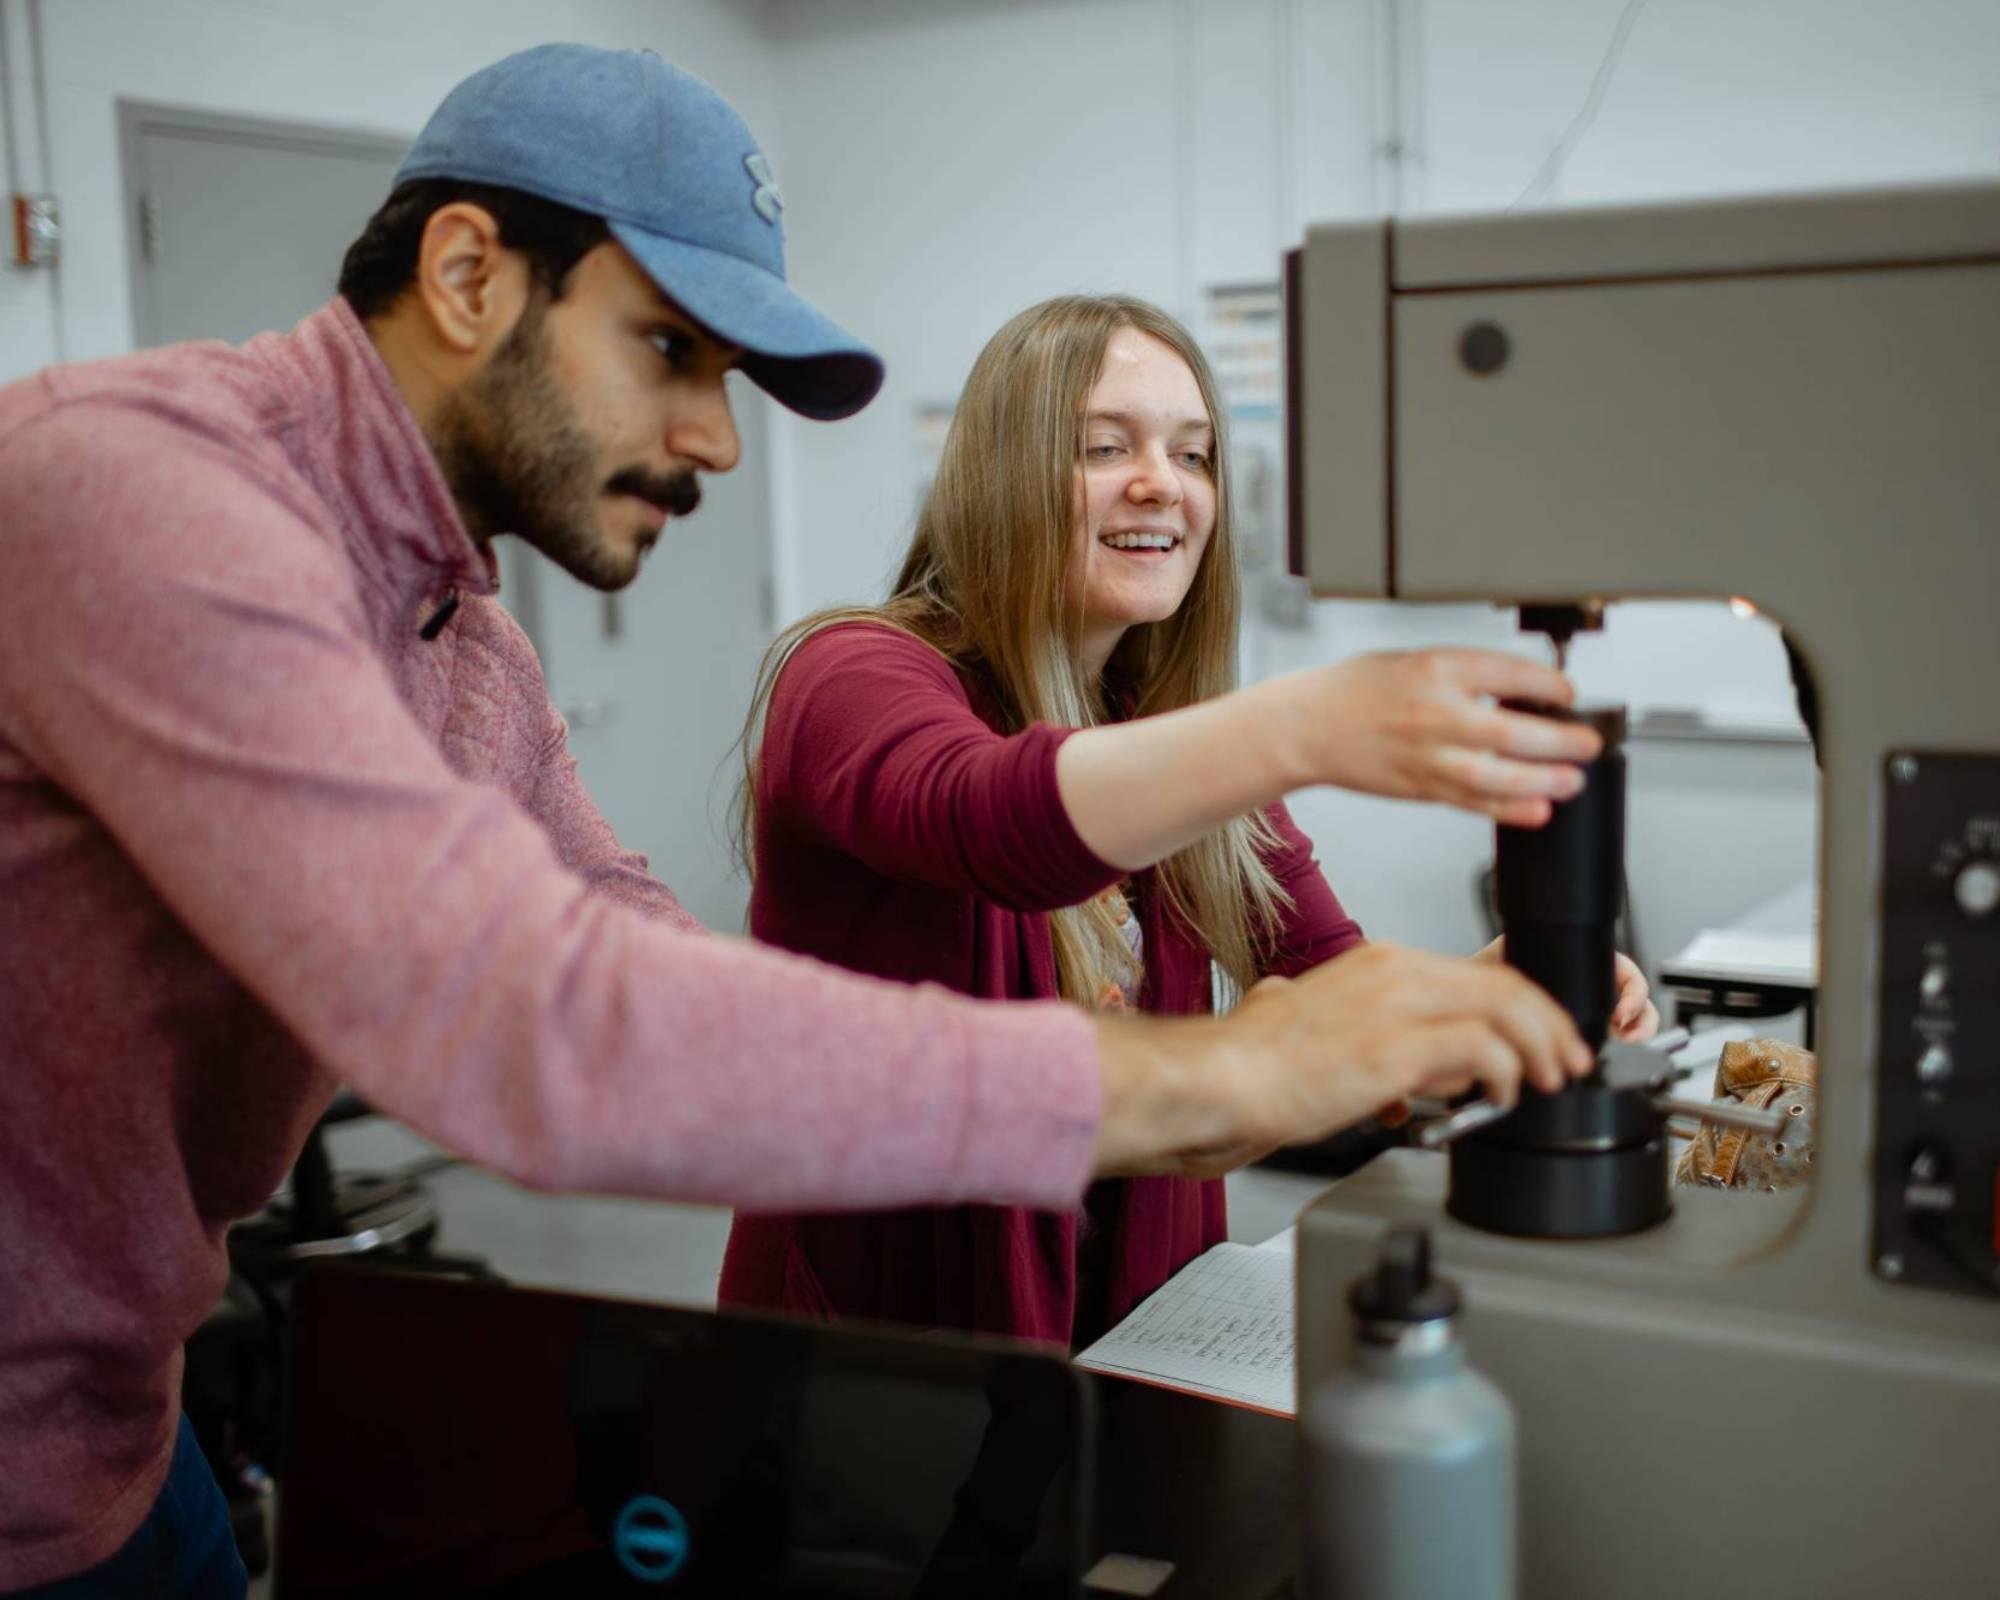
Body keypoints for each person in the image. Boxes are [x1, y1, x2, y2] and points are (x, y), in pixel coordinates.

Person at [0, 47, 1593, 1600]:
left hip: (124, 1455)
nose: (717, 439)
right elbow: (534, 1029)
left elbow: (638, 966)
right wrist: (1224, 1071)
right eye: (672, 353)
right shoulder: (139, 491)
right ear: (471, 274)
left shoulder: (466, 651)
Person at [719, 295, 1656, 1347]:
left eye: (1195, 454)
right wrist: (1303, 722)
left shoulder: (1164, 733)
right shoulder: (850, 672)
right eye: (1103, 446)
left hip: (1128, 1332)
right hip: (884, 1365)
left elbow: (1319, 974)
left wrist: (1480, 995)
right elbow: (985, 818)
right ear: (1000, 474)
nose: (1162, 483)